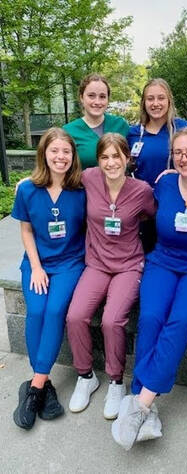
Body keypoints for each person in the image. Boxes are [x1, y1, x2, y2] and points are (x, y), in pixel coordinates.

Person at [111, 127, 187, 450]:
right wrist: (38, 182)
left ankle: (141, 402)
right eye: (178, 152)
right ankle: (145, 408)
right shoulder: (163, 183)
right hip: (162, 262)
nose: (184, 157)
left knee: (180, 321)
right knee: (150, 317)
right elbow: (124, 189)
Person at [66, 133, 156, 420]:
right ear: (99, 160)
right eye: (105, 156)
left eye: (116, 156)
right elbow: (57, 176)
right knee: (75, 316)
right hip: (96, 263)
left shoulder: (141, 189)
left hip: (128, 265)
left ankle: (116, 381)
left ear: (127, 158)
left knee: (111, 320)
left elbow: (151, 214)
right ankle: (85, 375)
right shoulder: (90, 178)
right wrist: (28, 182)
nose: (111, 162)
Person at [11, 128, 86, 430]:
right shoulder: (27, 189)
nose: (60, 157)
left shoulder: (81, 189)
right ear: (44, 153)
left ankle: (35, 387)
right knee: (37, 311)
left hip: (70, 262)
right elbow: (26, 230)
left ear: (72, 156)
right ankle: (45, 382)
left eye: (66, 152)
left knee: (55, 311)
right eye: (54, 151)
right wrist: (36, 266)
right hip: (37, 263)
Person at [128, 78, 187, 252]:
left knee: (172, 251)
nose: (156, 103)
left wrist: (177, 171)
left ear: (169, 100)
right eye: (150, 99)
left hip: (174, 202)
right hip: (143, 207)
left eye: (161, 98)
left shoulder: (183, 129)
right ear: (144, 103)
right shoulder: (133, 133)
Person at [63, 73, 129, 169]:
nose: (97, 102)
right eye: (91, 96)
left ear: (108, 99)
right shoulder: (68, 131)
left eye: (102, 96)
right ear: (81, 97)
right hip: (82, 184)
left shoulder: (120, 125)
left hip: (119, 183)